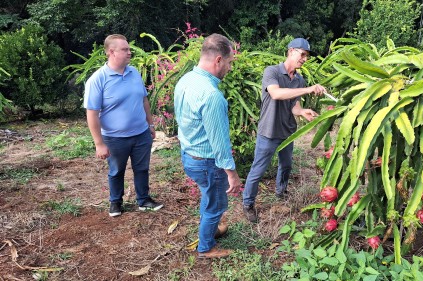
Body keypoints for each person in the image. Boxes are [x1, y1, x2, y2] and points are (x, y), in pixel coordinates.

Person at [242, 38, 326, 223]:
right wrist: (308, 89)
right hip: (269, 131)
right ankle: (248, 204)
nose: (304, 59)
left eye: (307, 56)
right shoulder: (271, 72)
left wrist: (302, 112)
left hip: (288, 131)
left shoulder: (299, 79)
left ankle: (281, 192)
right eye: (302, 54)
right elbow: (276, 93)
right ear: (290, 51)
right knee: (258, 169)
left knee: (286, 165)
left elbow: (294, 106)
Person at [174, 33, 241, 259]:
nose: (230, 68)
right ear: (219, 60)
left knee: (208, 196)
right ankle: (206, 248)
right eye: (230, 62)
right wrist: (231, 173)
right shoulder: (211, 95)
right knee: (216, 205)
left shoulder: (186, 80)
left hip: (189, 155)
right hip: (207, 162)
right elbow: (220, 143)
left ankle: (210, 230)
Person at [84, 34, 163, 217]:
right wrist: (99, 143)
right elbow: (92, 114)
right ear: (111, 52)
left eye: (129, 49)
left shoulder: (133, 72)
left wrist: (150, 125)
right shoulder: (98, 79)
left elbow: (144, 100)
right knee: (116, 171)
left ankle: (144, 200)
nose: (129, 53)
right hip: (115, 137)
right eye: (125, 49)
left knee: (142, 168)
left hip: (141, 133)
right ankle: (115, 203)